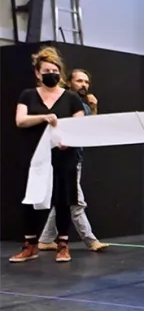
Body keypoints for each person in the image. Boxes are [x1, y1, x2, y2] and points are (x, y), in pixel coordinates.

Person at [10, 47, 86, 263]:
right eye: (46, 70)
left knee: (63, 199)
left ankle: (63, 244)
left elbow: (80, 126)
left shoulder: (71, 98)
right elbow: (20, 120)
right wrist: (44, 117)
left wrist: (67, 141)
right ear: (38, 73)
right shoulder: (28, 95)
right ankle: (30, 245)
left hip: (64, 155)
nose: (50, 74)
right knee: (31, 199)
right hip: (35, 157)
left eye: (54, 70)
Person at [38, 68, 108, 253]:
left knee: (62, 201)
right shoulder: (64, 101)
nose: (83, 85)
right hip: (62, 159)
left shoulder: (83, 105)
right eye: (79, 81)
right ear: (69, 82)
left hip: (76, 158)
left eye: (86, 82)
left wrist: (93, 108)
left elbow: (89, 131)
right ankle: (91, 240)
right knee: (77, 202)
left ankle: (45, 239)